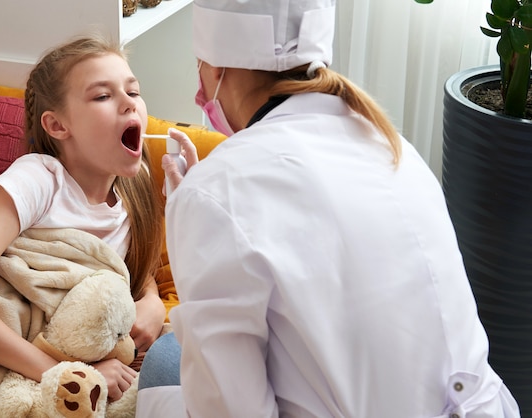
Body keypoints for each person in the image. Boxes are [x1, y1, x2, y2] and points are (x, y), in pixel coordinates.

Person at [135, 0, 521, 417]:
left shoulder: (216, 190)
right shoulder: (391, 144)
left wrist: (191, 217)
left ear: (216, 69)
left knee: (165, 360)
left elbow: (229, 409)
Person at [0, 34, 167, 403]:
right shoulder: (39, 179)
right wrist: (66, 373)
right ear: (57, 126)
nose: (130, 105)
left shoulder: (136, 188)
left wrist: (153, 302)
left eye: (134, 91)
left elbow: (132, 270)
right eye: (103, 95)